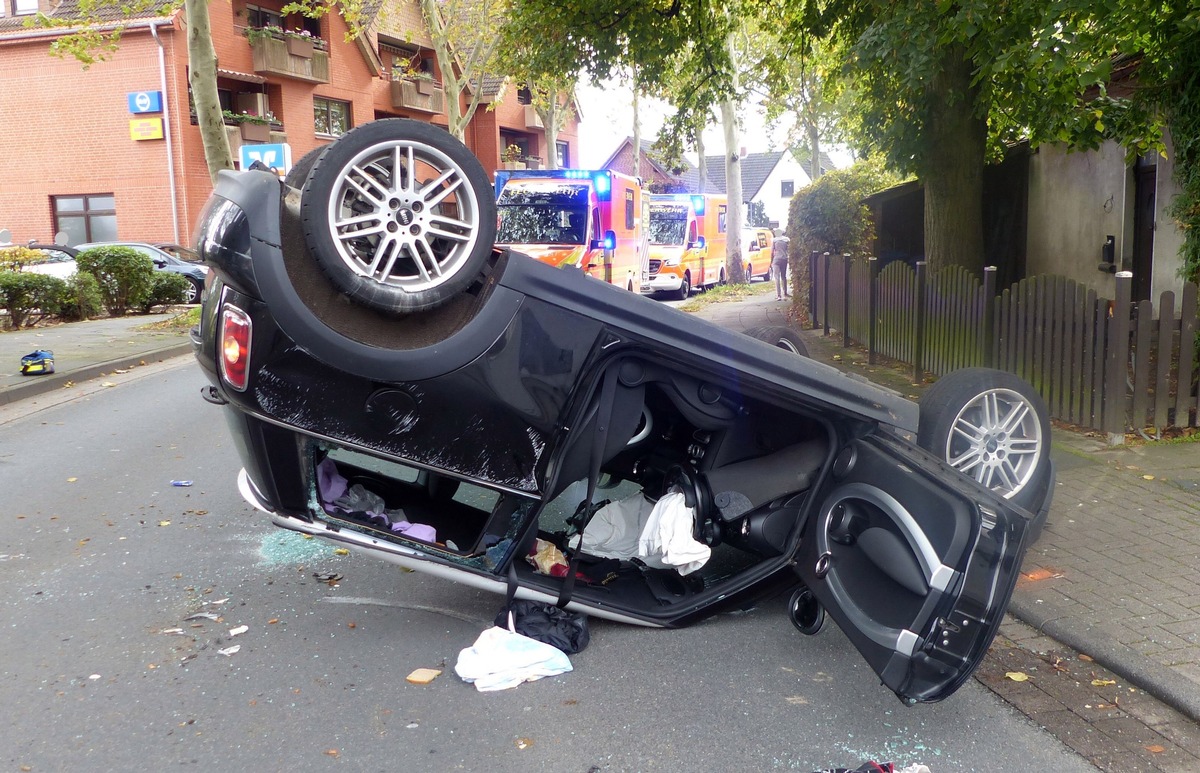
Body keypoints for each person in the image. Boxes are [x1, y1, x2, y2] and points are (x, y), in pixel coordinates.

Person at [770, 231, 790, 300]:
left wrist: (771, 260)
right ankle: (785, 293)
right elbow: (789, 250)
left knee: (777, 277)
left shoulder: (774, 240)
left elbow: (772, 251)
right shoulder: (786, 240)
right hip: (784, 259)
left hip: (776, 259)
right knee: (783, 276)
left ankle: (778, 295)